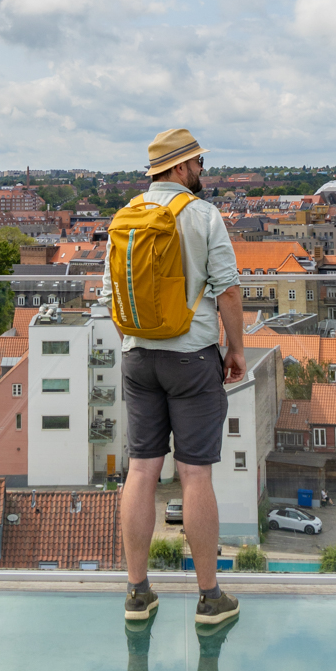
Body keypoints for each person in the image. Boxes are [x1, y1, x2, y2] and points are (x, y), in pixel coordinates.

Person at [102, 126, 245, 628]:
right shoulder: (204, 216)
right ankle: (209, 599)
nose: (203, 171)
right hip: (190, 358)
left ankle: (137, 593)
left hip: (137, 356)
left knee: (140, 470)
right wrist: (237, 350)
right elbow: (227, 291)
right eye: (199, 163)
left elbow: (108, 293)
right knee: (195, 474)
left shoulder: (126, 219)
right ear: (182, 168)